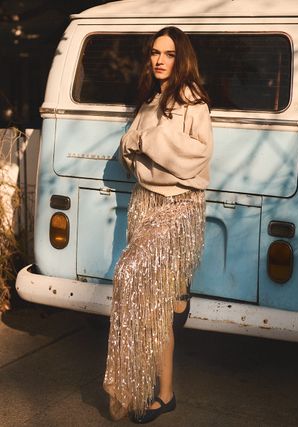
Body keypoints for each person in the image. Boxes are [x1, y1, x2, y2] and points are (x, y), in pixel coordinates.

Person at [103, 26, 213, 424]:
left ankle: (180, 289)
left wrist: (148, 140)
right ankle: (161, 394)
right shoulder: (150, 100)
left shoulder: (193, 102)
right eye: (154, 52)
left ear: (181, 57)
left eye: (167, 53)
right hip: (145, 203)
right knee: (153, 310)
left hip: (178, 207)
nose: (159, 59)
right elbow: (128, 154)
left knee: (130, 272)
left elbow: (196, 158)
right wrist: (136, 145)